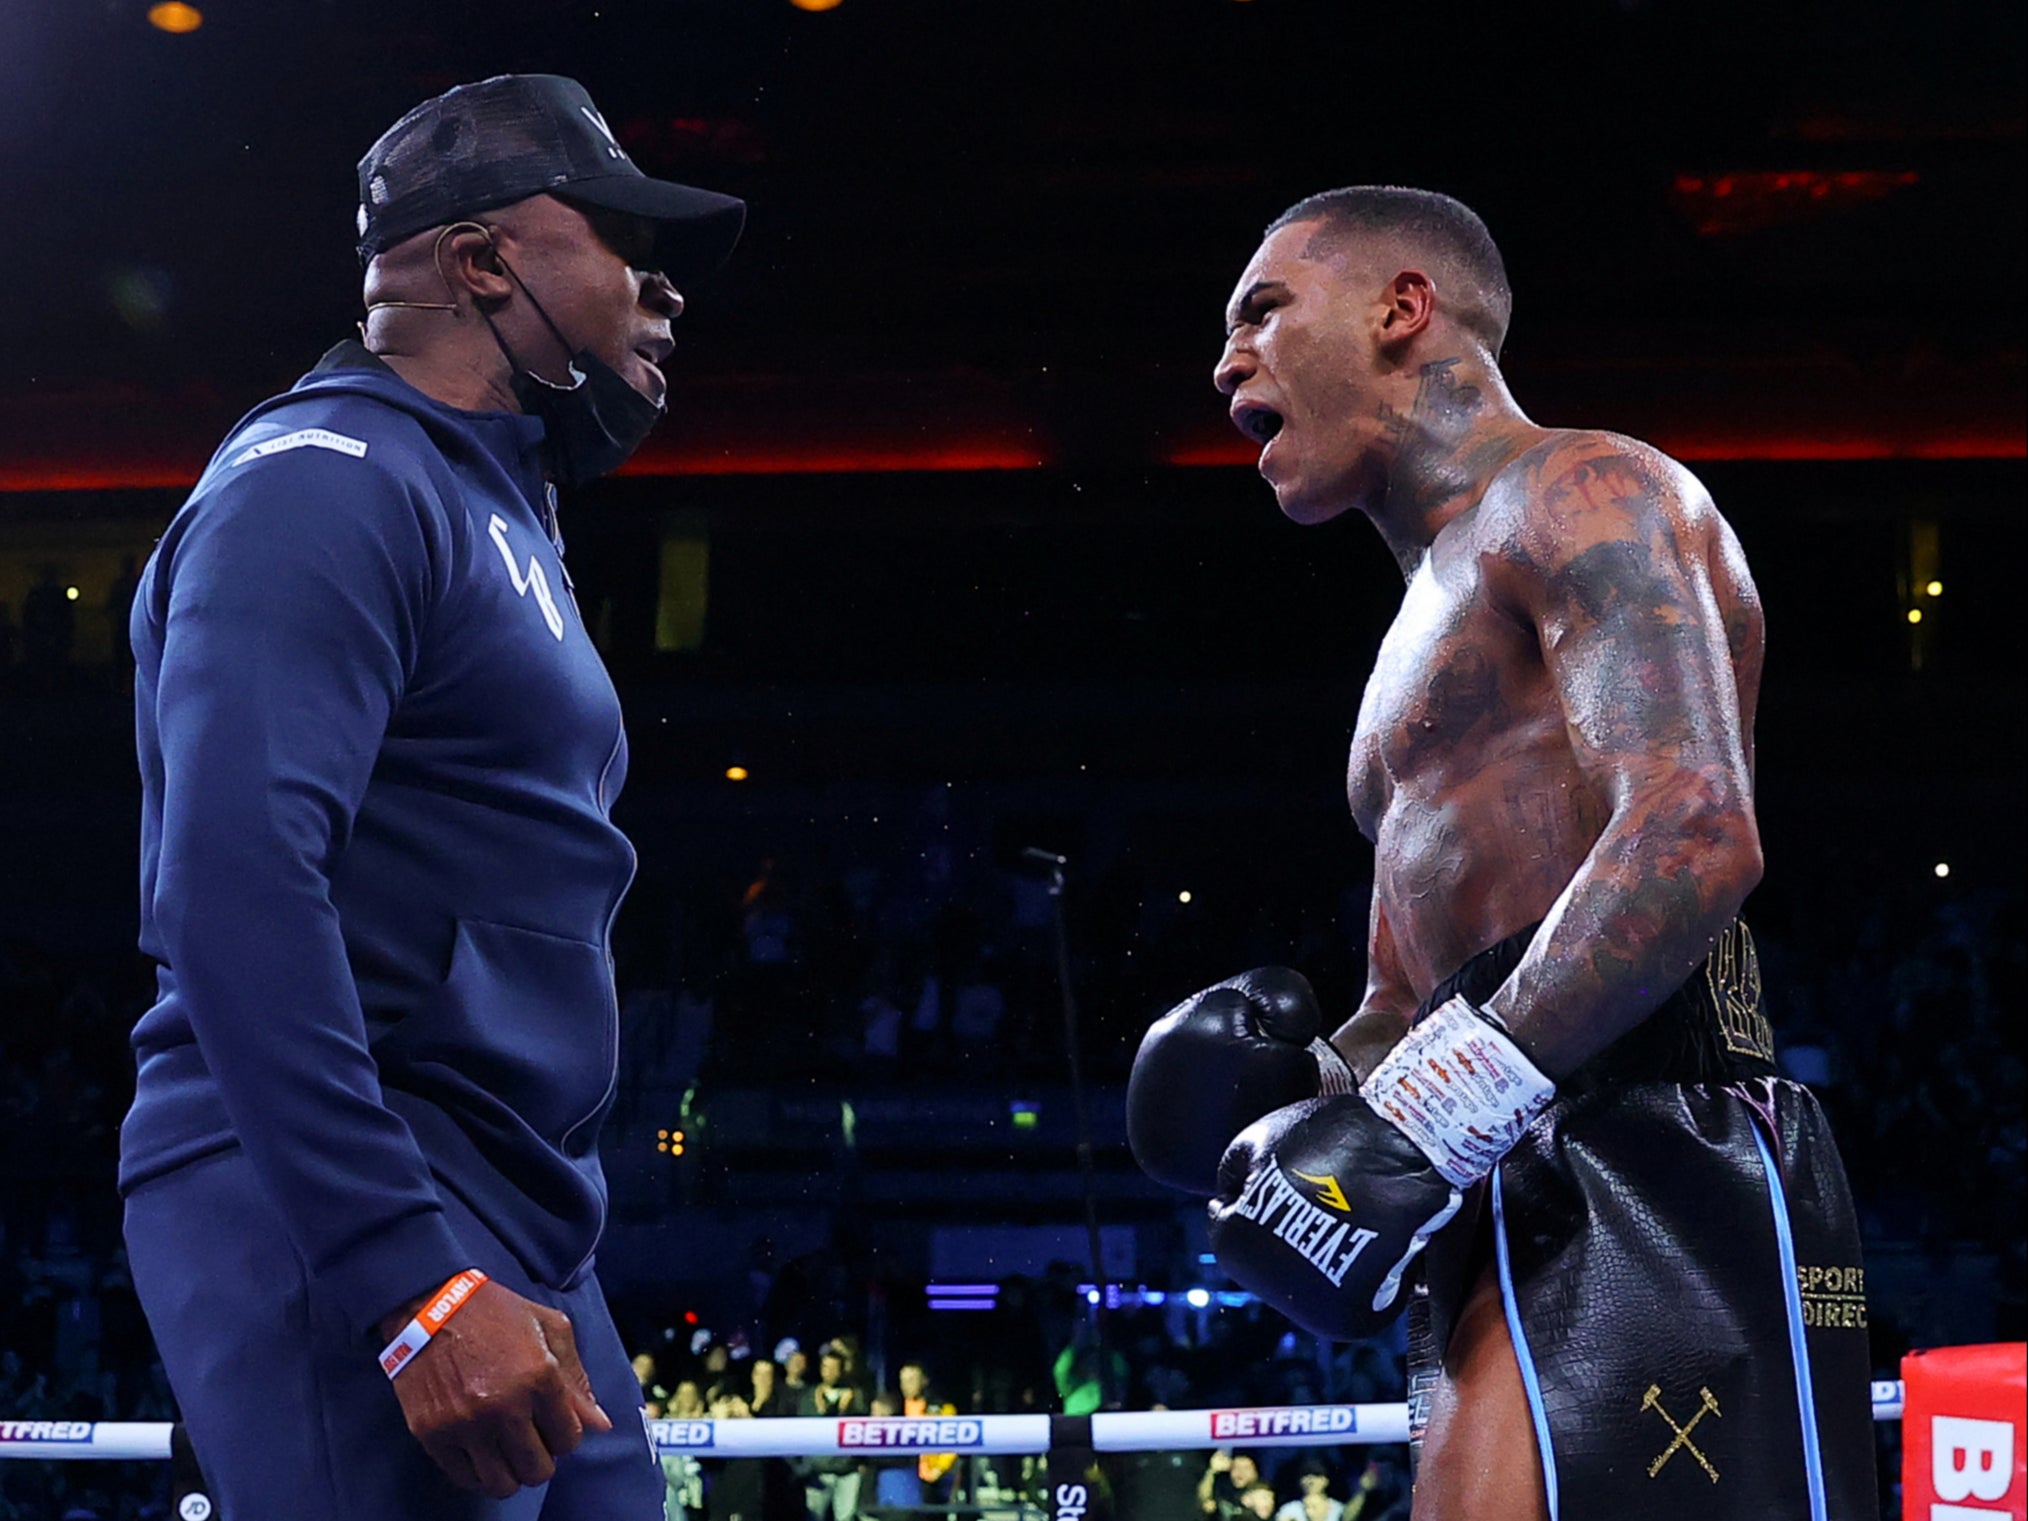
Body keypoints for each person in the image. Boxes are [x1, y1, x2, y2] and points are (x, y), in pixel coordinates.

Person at [1128, 187, 1874, 1518]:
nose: (1226, 359)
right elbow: (1408, 1003)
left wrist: (1419, 1112)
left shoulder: (1588, 491)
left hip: (1656, 1134)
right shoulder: (1411, 638)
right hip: (1492, 1163)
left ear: (1402, 307)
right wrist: (1305, 1092)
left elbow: (1697, 831)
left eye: (1262, 309)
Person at [117, 73, 744, 1520]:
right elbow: (232, 884)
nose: (666, 294)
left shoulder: (499, 501)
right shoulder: (321, 479)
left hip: (519, 1209)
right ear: (480, 262)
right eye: (626, 248)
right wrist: (406, 1275)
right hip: (351, 1188)